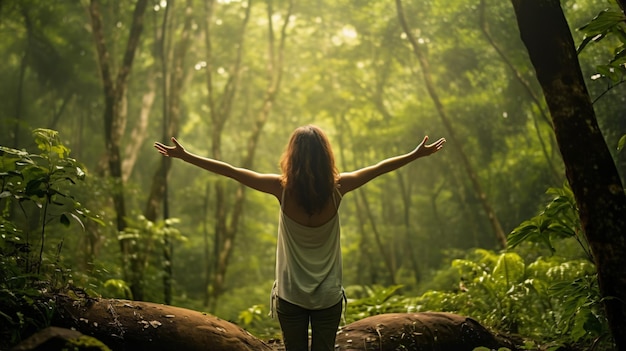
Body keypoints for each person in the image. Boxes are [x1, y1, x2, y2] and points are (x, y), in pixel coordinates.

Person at [154, 125, 446, 351]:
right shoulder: (338, 188)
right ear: (326, 156)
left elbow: (231, 171)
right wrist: (415, 154)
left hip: (290, 296)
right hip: (328, 296)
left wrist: (185, 156)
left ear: (292, 155)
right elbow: (380, 168)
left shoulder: (280, 189)